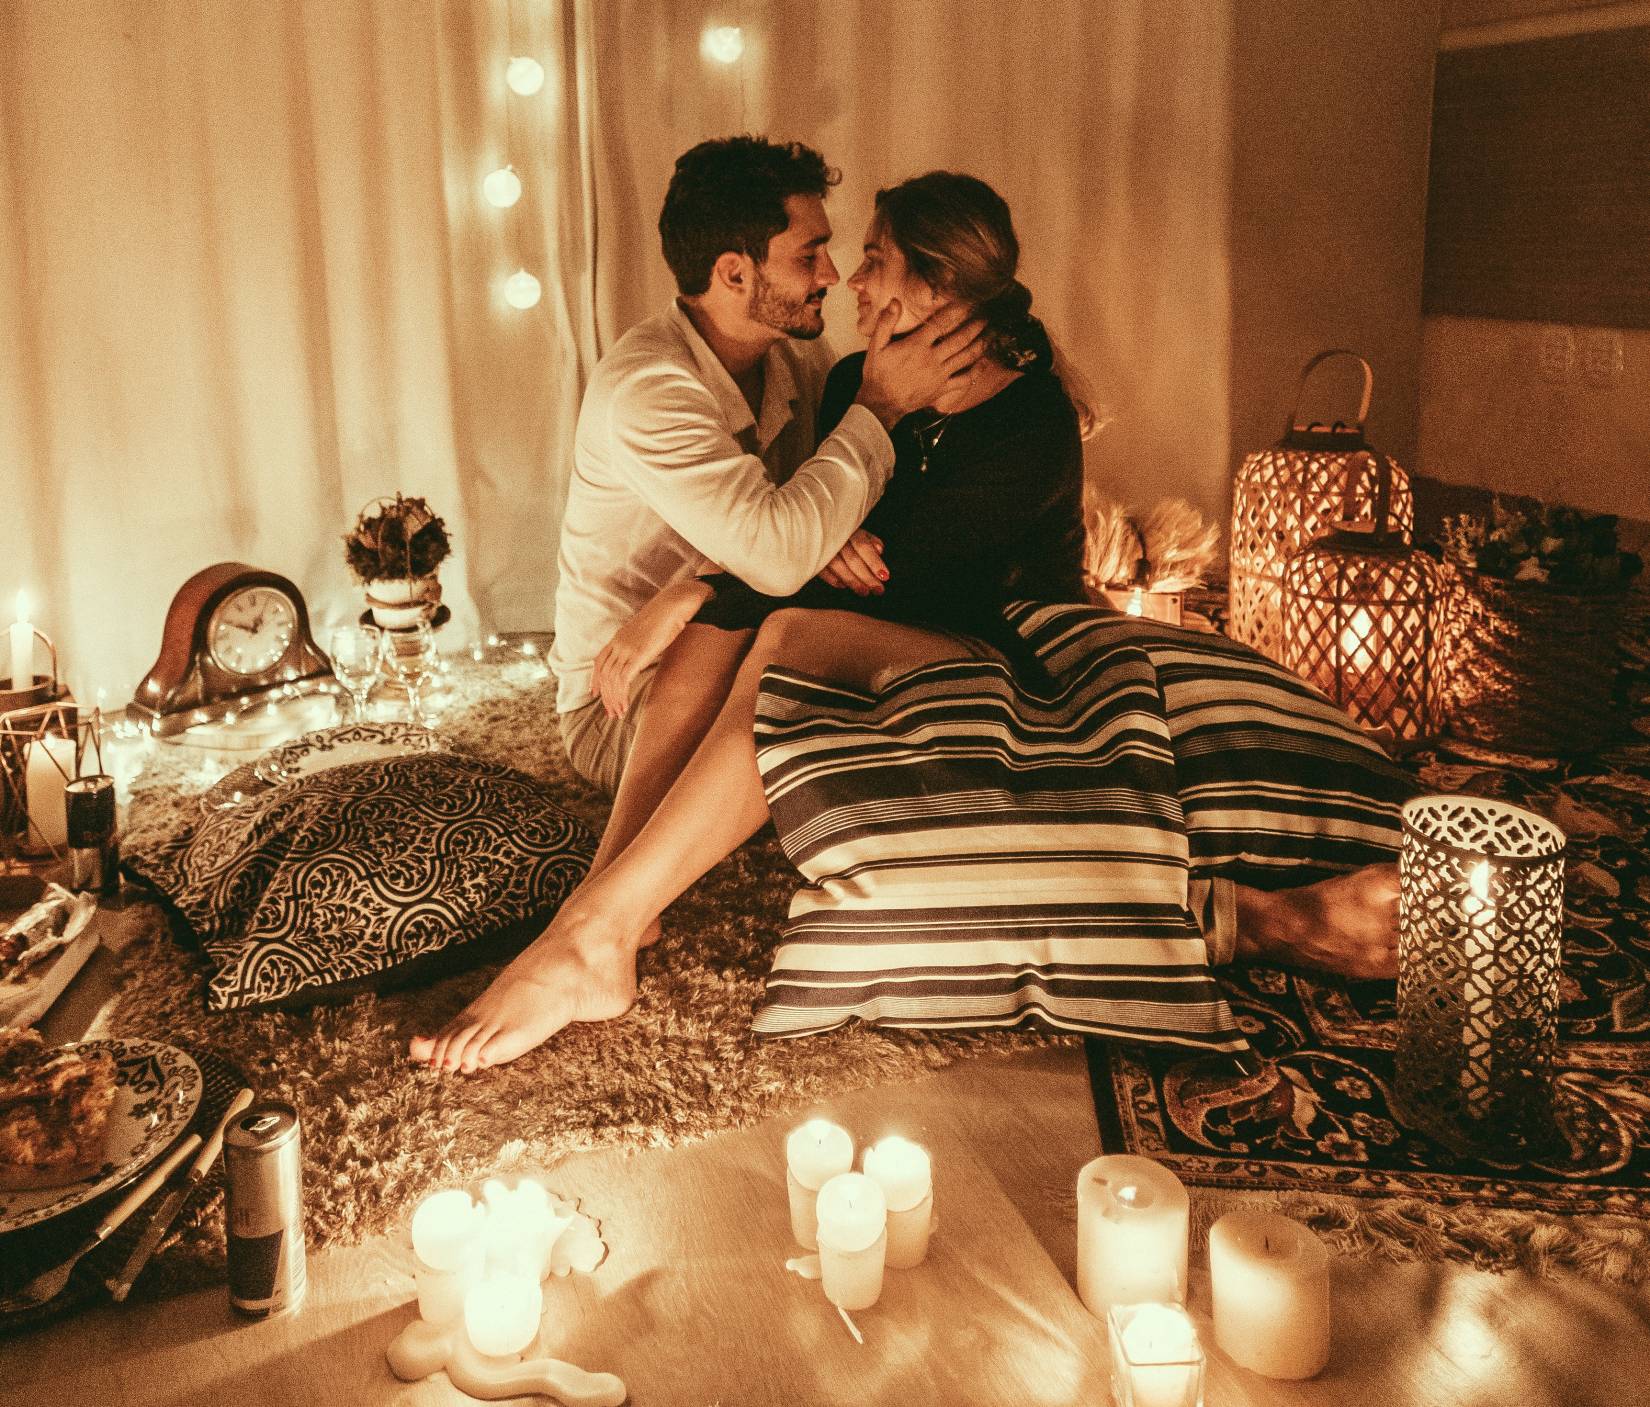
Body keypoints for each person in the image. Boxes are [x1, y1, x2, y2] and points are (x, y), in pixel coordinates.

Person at [411, 170, 1403, 1075]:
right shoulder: (853, 384)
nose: (846, 279)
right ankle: (607, 918)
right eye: (827, 254)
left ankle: (596, 931)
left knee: (786, 634)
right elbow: (809, 530)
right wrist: (744, 575)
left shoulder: (1029, 421)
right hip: (884, 637)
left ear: (937, 287)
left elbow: (898, 578)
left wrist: (735, 575)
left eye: (872, 260)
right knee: (739, 629)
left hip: (1003, 652)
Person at [545, 135, 984, 798]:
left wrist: (730, 572)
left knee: (924, 713)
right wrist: (880, 404)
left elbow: (821, 512)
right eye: (809, 255)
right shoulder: (649, 390)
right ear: (734, 274)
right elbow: (782, 555)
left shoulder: (794, 355)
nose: (832, 275)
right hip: (626, 699)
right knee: (832, 752)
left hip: (743, 639)